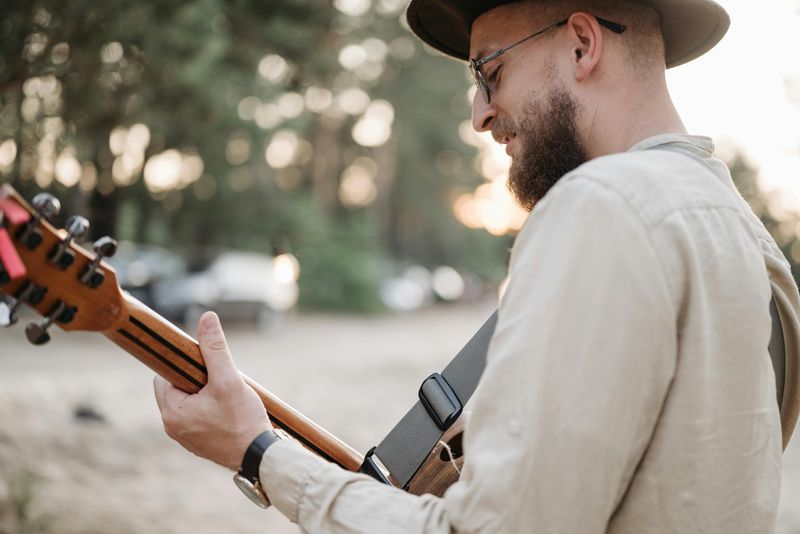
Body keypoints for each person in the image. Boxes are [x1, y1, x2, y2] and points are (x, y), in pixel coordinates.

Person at [154, 0, 800, 531]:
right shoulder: (752, 244)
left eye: (488, 72)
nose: (479, 115)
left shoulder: (603, 205)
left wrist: (259, 451)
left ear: (580, 44)